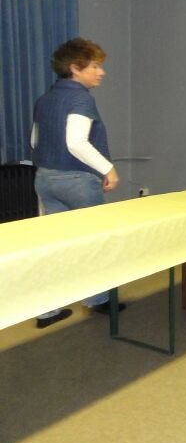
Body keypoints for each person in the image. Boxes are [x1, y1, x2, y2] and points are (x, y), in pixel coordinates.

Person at [31, 37, 125, 328]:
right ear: (75, 68)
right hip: (77, 181)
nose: (101, 72)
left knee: (55, 246)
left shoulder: (45, 99)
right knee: (94, 243)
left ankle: (48, 311)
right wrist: (109, 170)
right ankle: (98, 300)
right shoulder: (81, 99)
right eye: (95, 66)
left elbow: (34, 140)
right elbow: (76, 143)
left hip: (45, 178)